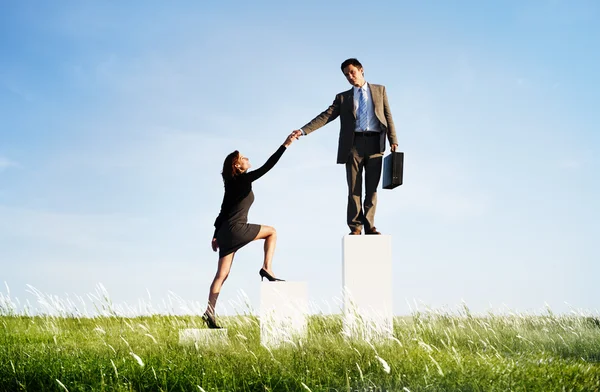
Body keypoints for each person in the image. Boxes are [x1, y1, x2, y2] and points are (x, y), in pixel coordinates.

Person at [203, 132, 298, 329]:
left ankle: (209, 312)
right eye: (243, 158)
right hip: (236, 229)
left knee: (221, 275)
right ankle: (267, 268)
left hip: (224, 233)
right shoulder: (243, 180)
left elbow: (223, 210)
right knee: (272, 232)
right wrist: (285, 144)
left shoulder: (230, 184)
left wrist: (215, 235)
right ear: (237, 166)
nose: (247, 159)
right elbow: (268, 166)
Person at [292, 58, 398, 235]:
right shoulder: (343, 97)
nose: (350, 77)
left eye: (352, 72)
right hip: (353, 145)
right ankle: (355, 227)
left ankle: (369, 225)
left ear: (361, 70)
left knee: (372, 189)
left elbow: (388, 116)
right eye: (346, 75)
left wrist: (393, 139)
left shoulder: (380, 90)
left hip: (375, 144)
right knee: (354, 189)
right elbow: (325, 116)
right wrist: (303, 131)